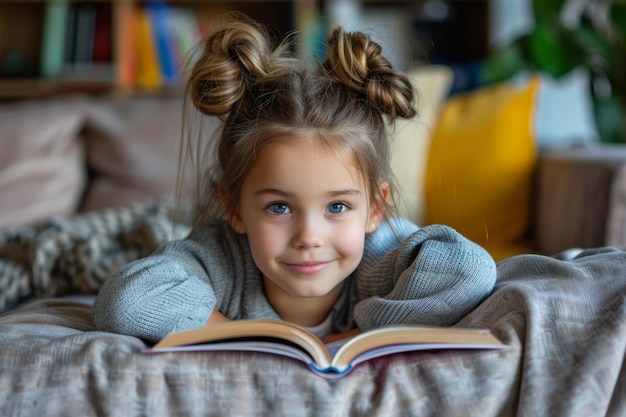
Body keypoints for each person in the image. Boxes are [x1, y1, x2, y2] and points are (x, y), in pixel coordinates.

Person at [92, 13, 496, 343]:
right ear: (233, 207)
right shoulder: (220, 257)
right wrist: (259, 337)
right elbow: (125, 302)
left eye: (337, 206)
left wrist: (351, 338)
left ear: (374, 208)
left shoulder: (381, 256)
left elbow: (471, 269)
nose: (309, 236)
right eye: (279, 207)